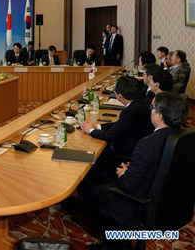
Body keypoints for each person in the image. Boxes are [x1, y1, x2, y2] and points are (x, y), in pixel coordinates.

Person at [78, 92, 187, 232]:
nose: (150, 110)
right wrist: (135, 168)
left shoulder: (147, 144)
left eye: (152, 108)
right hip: (167, 200)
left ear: (159, 116)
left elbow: (128, 185)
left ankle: (102, 231)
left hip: (138, 203)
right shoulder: (180, 136)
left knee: (87, 185)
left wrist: (124, 173)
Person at [81, 76, 154, 180]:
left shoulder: (129, 112)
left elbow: (110, 135)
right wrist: (97, 126)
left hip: (126, 151)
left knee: (93, 160)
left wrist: (90, 131)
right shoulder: (141, 103)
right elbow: (120, 124)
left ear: (119, 96)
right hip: (139, 146)